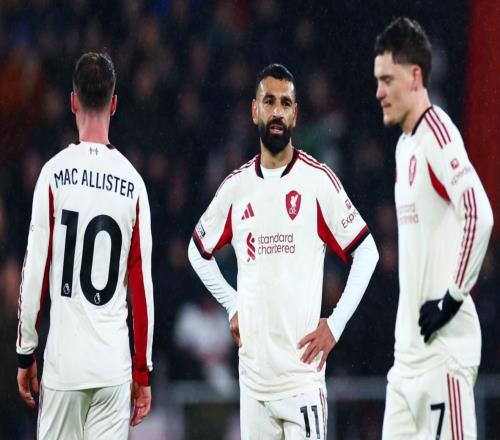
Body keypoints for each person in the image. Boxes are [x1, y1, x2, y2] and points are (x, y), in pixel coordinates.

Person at [188, 64, 379, 439]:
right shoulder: (236, 188)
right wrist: (232, 303)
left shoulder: (317, 181)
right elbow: (197, 252)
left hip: (301, 382)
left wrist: (335, 325)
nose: (277, 111)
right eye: (269, 101)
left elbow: (368, 252)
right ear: (254, 110)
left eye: (285, 103)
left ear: (295, 114)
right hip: (253, 385)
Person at [16, 52, 154, 439]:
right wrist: (142, 372)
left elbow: (34, 271)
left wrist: (26, 351)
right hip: (112, 368)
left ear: (73, 101)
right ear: (114, 104)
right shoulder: (133, 184)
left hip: (65, 365)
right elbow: (142, 288)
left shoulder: (53, 174)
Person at [374, 17, 494, 439]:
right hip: (406, 361)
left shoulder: (438, 134)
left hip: (443, 356)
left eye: (387, 80)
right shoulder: (405, 145)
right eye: (377, 81)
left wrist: (453, 298)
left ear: (415, 76)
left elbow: (479, 214)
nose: (379, 92)